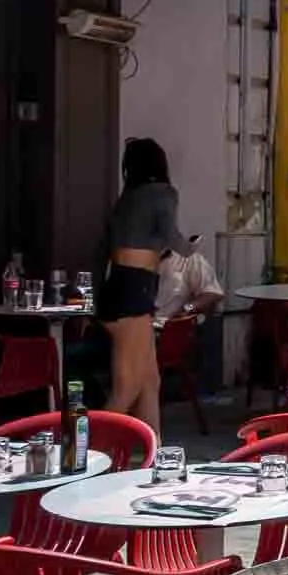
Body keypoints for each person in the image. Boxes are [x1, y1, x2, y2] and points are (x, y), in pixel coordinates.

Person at [99, 138, 189, 438]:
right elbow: (171, 235)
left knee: (150, 380)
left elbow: (104, 248)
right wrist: (190, 249)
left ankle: (155, 455)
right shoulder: (164, 194)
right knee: (128, 387)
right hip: (137, 290)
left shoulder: (125, 200)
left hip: (116, 287)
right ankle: (90, 454)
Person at [156, 235, 225, 322]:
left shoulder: (189, 259)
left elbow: (212, 293)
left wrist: (188, 308)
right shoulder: (135, 260)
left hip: (172, 326)